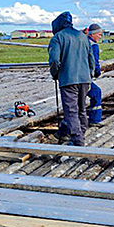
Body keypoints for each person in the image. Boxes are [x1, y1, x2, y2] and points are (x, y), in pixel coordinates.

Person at [48, 12, 95, 146]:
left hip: (68, 79)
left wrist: (55, 74)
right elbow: (91, 59)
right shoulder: (83, 36)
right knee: (81, 109)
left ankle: (78, 141)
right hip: (85, 79)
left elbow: (54, 61)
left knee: (71, 112)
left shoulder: (57, 38)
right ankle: (79, 133)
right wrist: (89, 75)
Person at [87, 23, 104, 127]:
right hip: (84, 77)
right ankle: (95, 120)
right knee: (96, 92)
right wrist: (97, 72)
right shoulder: (93, 45)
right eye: (99, 34)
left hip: (74, 76)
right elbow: (94, 61)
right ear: (93, 34)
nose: (100, 37)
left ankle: (64, 130)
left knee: (75, 103)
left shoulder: (83, 41)